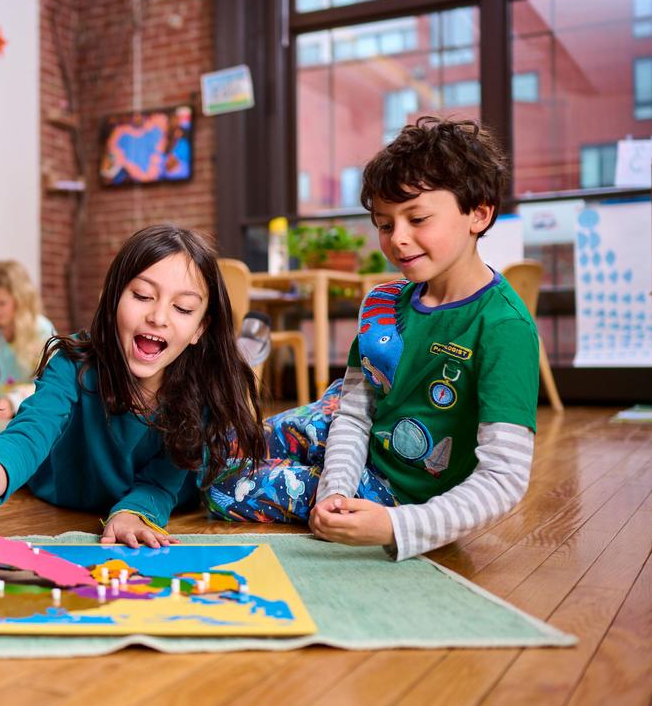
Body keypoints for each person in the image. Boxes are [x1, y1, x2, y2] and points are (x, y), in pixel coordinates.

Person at [207, 116, 540, 561]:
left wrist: (393, 525)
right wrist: (335, 485)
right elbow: (354, 412)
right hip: (339, 425)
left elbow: (504, 478)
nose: (398, 240)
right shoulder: (381, 301)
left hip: (397, 493)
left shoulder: (504, 327)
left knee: (221, 488)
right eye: (385, 225)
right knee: (220, 445)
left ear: (479, 213)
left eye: (417, 218)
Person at [0, 224, 267, 549]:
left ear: (199, 328)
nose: (158, 317)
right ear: (112, 301)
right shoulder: (72, 363)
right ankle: (247, 347)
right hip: (62, 486)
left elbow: (163, 482)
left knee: (230, 396)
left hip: (175, 490)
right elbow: (31, 429)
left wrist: (133, 512)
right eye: (142, 295)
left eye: (182, 308)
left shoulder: (203, 387)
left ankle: (247, 348)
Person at [0, 260, 55, 422]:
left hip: (29, 414)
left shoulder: (41, 330)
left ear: (21, 300)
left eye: (2, 303)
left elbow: (53, 385)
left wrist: (12, 402)